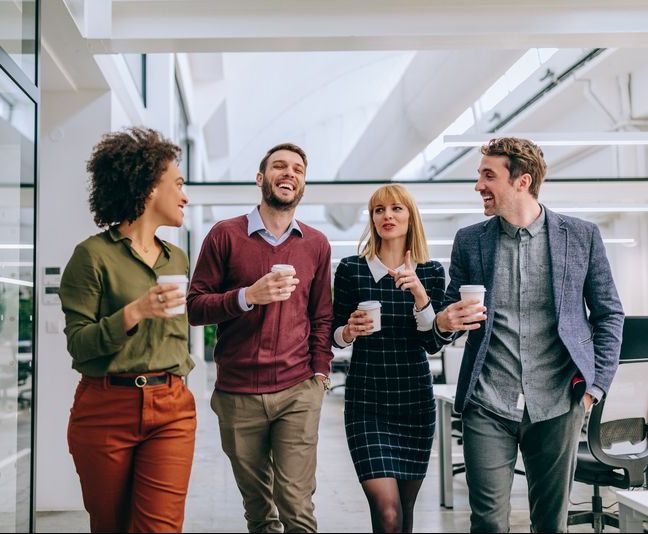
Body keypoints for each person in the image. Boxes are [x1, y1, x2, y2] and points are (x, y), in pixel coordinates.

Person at [432, 137, 625, 533]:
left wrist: (595, 388)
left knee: (550, 523)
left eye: (488, 176)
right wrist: (444, 323)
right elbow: (449, 315)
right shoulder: (471, 241)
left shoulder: (581, 237)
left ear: (522, 181)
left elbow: (609, 314)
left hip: (558, 402)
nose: (478, 186)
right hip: (488, 400)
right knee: (487, 522)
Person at [186, 143, 333, 533]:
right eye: (279, 166)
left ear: (303, 184)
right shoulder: (225, 235)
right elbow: (195, 307)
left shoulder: (316, 244)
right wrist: (247, 296)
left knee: (296, 503)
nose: (289, 173)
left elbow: (321, 316)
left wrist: (319, 373)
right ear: (260, 178)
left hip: (298, 389)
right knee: (259, 510)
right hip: (238, 393)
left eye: (298, 169)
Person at [59, 127, 196, 533]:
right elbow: (80, 346)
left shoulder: (178, 259)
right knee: (110, 526)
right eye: (178, 184)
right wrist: (133, 312)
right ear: (151, 187)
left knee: (159, 529)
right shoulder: (92, 256)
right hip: (105, 409)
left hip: (171, 407)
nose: (184, 195)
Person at [332, 184, 446, 533]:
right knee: (388, 512)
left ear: (410, 217)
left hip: (414, 402)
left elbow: (433, 343)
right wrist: (349, 331)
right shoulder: (351, 269)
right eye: (379, 210)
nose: (387, 216)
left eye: (396, 209)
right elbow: (333, 336)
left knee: (405, 512)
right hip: (367, 402)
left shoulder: (431, 272)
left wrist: (418, 292)